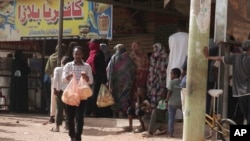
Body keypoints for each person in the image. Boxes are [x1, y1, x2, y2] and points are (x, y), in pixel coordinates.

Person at [203, 40, 250, 125]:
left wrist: (207, 57)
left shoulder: (235, 57)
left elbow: (219, 58)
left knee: (246, 115)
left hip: (240, 93)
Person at [62, 46, 93, 141]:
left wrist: (86, 77)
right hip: (70, 95)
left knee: (80, 117)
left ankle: (78, 137)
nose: (78, 56)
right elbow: (63, 79)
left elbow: (91, 81)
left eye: (79, 54)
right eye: (76, 54)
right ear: (73, 55)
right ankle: (72, 135)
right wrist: (68, 76)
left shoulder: (87, 66)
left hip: (82, 95)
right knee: (70, 117)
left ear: (82, 55)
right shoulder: (68, 66)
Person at [107, 44, 136, 117]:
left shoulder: (114, 58)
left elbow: (110, 71)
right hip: (127, 84)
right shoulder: (128, 58)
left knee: (115, 98)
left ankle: (116, 115)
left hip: (116, 84)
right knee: (125, 98)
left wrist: (110, 83)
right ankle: (124, 114)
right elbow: (133, 70)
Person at [85, 39, 111, 117]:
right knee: (90, 95)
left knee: (96, 95)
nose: (89, 45)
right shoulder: (91, 53)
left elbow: (102, 68)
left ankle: (96, 112)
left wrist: (104, 80)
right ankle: (90, 111)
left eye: (91, 44)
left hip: (98, 79)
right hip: (91, 78)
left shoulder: (99, 54)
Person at [44, 43, 67, 123]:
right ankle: (63, 116)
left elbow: (47, 69)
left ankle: (52, 116)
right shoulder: (65, 57)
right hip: (65, 79)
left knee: (53, 98)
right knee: (64, 97)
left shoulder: (51, 57)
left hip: (54, 79)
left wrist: (52, 74)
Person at [50, 56, 71, 132]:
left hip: (60, 91)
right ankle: (68, 126)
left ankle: (57, 127)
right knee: (68, 109)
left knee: (59, 109)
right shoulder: (71, 70)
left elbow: (55, 79)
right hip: (69, 91)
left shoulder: (57, 69)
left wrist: (55, 89)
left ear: (62, 62)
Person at [166, 20, 188, 86]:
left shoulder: (171, 37)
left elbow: (171, 50)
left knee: (172, 87)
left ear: (176, 27)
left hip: (173, 65)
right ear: (186, 27)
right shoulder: (189, 36)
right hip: (185, 66)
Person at [147, 43, 168, 107]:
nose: (154, 49)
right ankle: (156, 110)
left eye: (155, 48)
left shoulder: (164, 56)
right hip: (155, 77)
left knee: (161, 93)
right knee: (155, 92)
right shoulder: (155, 56)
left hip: (161, 77)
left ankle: (160, 110)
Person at [166, 68, 182, 138]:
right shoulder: (181, 82)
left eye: (171, 74)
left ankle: (171, 133)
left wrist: (166, 100)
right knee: (185, 117)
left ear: (175, 75)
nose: (170, 75)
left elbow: (169, 92)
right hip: (180, 102)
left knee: (171, 118)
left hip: (171, 103)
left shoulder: (171, 82)